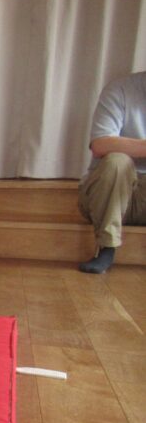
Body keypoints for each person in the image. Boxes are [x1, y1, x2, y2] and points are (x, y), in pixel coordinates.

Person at [77, 71, 146, 273]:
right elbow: (101, 144)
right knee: (117, 161)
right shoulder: (121, 89)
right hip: (111, 195)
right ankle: (106, 247)